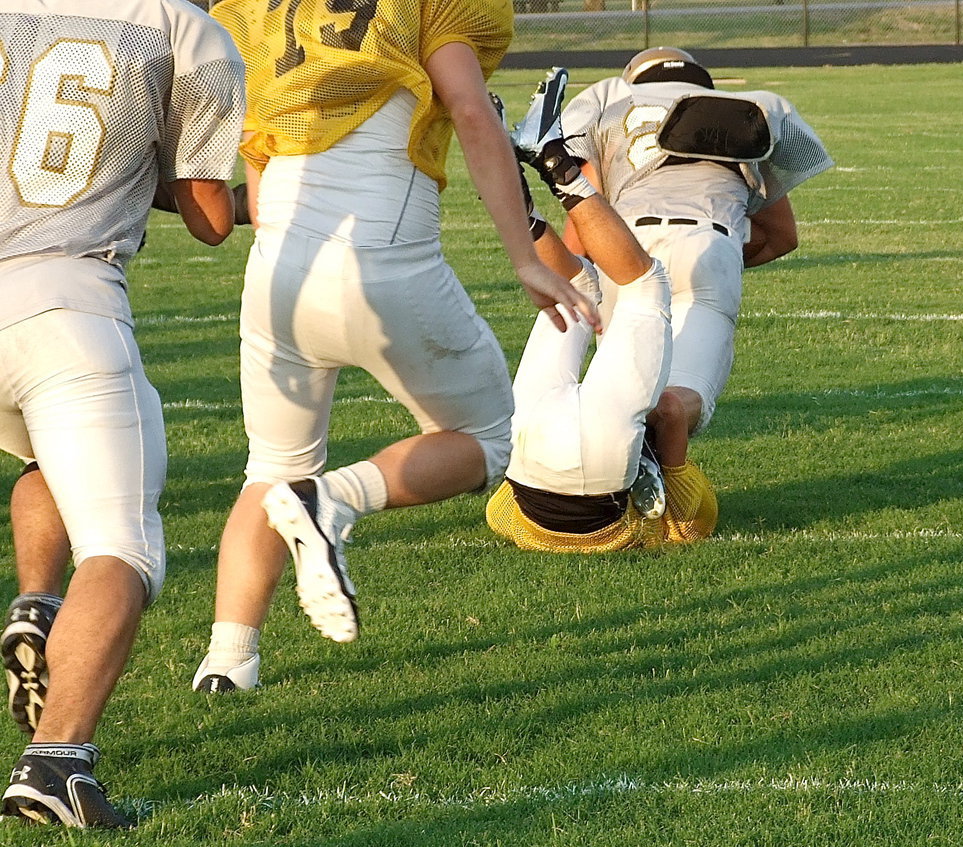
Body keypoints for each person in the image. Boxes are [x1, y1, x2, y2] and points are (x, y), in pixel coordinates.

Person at [193, 0, 598, 692]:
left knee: (270, 464)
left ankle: (227, 662)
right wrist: (526, 257)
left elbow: (256, 163)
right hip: (383, 254)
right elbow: (472, 112)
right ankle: (332, 499)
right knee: (488, 435)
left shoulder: (254, 9)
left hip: (277, 267)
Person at [0, 0, 245, 828]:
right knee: (123, 544)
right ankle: (57, 761)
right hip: (66, 302)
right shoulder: (181, 26)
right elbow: (208, 210)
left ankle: (36, 602)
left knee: (48, 462)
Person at [485, 70, 717, 553]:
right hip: (524, 446)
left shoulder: (625, 517)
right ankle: (548, 166)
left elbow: (687, 519)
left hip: (596, 458)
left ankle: (548, 171)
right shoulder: (513, 517)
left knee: (614, 287)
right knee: (601, 287)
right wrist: (660, 457)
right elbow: (690, 519)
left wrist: (659, 458)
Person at [559, 47, 834, 437]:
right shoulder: (742, 115)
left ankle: (610, 484)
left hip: (625, 246)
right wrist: (720, 260)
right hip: (709, 241)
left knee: (623, 399)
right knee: (679, 401)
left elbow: (585, 223)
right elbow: (782, 237)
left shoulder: (610, 104)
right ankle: (668, 483)